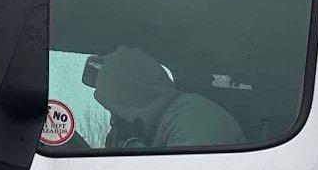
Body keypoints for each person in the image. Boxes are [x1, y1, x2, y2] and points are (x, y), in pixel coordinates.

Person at [89, 45, 244, 150]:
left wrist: (131, 146)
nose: (112, 122)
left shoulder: (195, 119)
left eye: (115, 110)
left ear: (133, 98)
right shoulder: (167, 120)